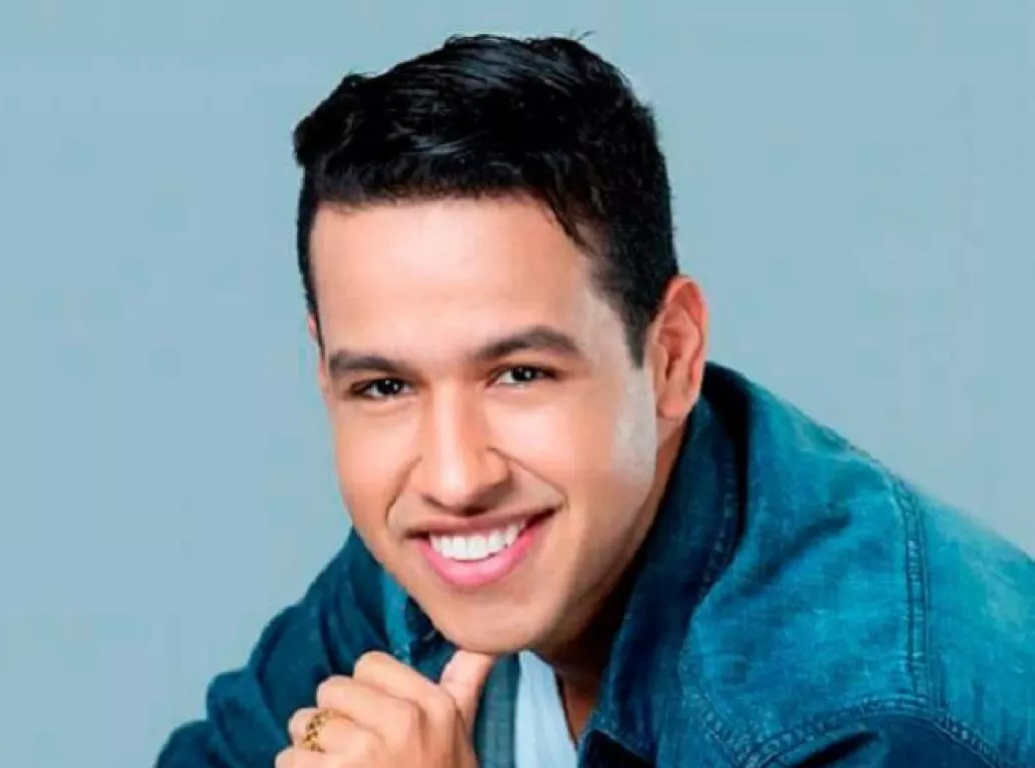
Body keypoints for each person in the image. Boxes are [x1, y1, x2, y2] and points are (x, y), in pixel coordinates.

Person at [155, 33, 1035, 767]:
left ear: (672, 356)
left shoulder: (870, 723)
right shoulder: (434, 549)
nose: (455, 479)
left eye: (520, 374)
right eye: (386, 386)